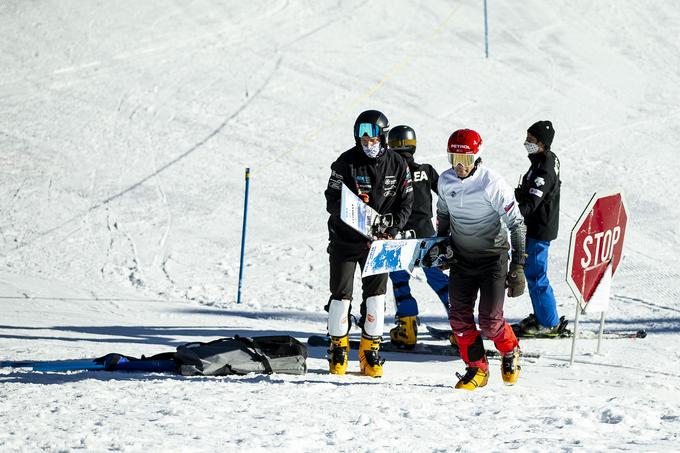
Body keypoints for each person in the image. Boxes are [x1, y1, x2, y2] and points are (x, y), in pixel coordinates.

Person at [324, 110, 414, 378]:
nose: (367, 144)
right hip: (346, 240)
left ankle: (369, 351)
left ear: (383, 137)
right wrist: (354, 211)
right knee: (341, 297)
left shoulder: (397, 164)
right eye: (362, 140)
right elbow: (330, 197)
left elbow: (406, 203)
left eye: (372, 140)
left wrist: (393, 226)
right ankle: (338, 349)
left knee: (375, 299)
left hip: (380, 243)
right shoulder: (345, 162)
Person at [435, 129, 527, 390]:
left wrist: (518, 266)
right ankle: (477, 369)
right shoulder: (445, 181)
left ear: (477, 157)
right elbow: (443, 215)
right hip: (462, 260)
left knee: (490, 321)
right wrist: (442, 245)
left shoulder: (491, 184)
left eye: (465, 160)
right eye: (454, 159)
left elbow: (517, 224)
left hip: (492, 259)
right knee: (459, 320)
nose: (459, 166)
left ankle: (510, 351)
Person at [385, 125, 449, 349]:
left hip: (400, 237)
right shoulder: (426, 170)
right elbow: (447, 192)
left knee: (400, 280)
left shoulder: (388, 172)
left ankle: (407, 328)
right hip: (427, 235)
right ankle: (462, 324)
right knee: (438, 278)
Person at [514, 120, 562, 336]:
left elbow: (533, 204)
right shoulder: (544, 159)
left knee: (535, 274)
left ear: (543, 143)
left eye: (531, 140)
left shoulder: (544, 170)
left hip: (539, 229)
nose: (527, 143)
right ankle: (543, 315)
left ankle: (548, 322)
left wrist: (511, 213)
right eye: (527, 138)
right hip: (539, 225)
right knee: (534, 272)